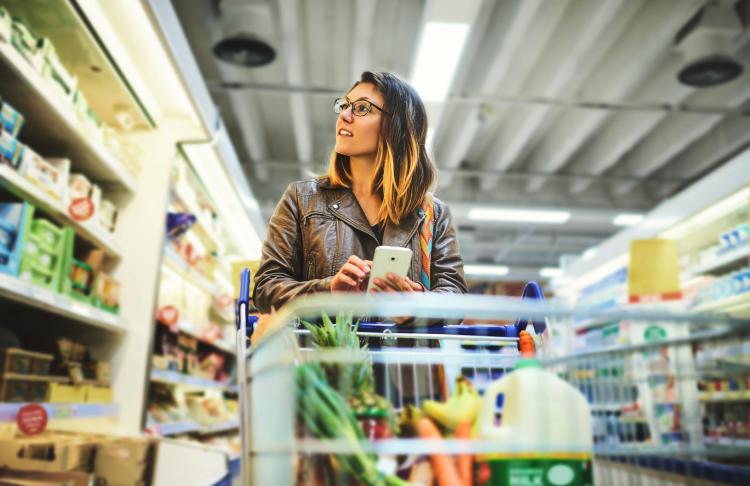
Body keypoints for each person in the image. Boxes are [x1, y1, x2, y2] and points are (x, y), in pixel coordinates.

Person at [253, 71, 467, 315]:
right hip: (327, 353)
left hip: (401, 353)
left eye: (362, 108)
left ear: (397, 127)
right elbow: (265, 289)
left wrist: (413, 302)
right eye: (344, 105)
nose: (344, 115)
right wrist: (329, 289)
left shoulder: (433, 214)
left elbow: (455, 298)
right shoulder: (302, 200)